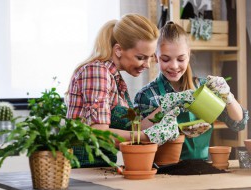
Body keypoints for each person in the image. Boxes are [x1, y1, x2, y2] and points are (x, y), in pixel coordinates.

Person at [66, 14, 180, 167]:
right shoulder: (97, 72)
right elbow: (99, 134)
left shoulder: (114, 78)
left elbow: (134, 128)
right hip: (81, 168)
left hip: (100, 167)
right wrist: (148, 137)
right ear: (119, 50)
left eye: (149, 57)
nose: (147, 65)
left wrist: (166, 108)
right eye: (141, 57)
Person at [134, 21, 249, 160]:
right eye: (165, 59)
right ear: (156, 57)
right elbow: (136, 137)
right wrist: (165, 107)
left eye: (181, 59)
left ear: (188, 54)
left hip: (203, 169)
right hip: (164, 172)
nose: (174, 66)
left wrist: (228, 96)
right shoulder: (147, 95)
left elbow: (238, 124)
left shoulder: (203, 88)